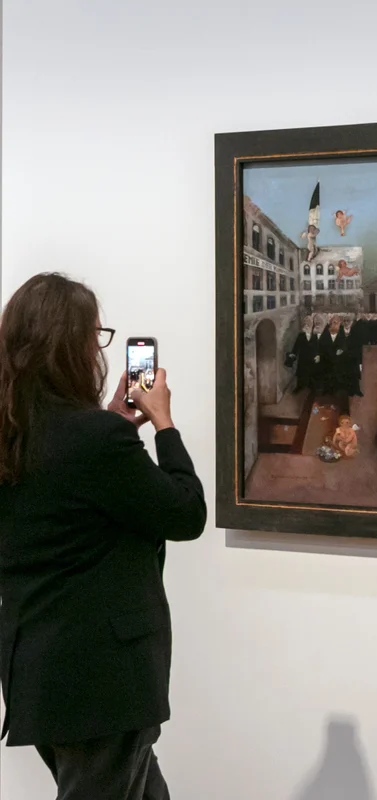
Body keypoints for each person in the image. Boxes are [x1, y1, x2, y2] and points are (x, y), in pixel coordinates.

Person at [0, 273, 206, 800]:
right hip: (103, 682)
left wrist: (112, 424)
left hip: (39, 674)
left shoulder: (14, 433)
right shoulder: (94, 439)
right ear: (71, 346)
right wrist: (164, 425)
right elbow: (185, 514)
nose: (99, 349)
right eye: (95, 336)